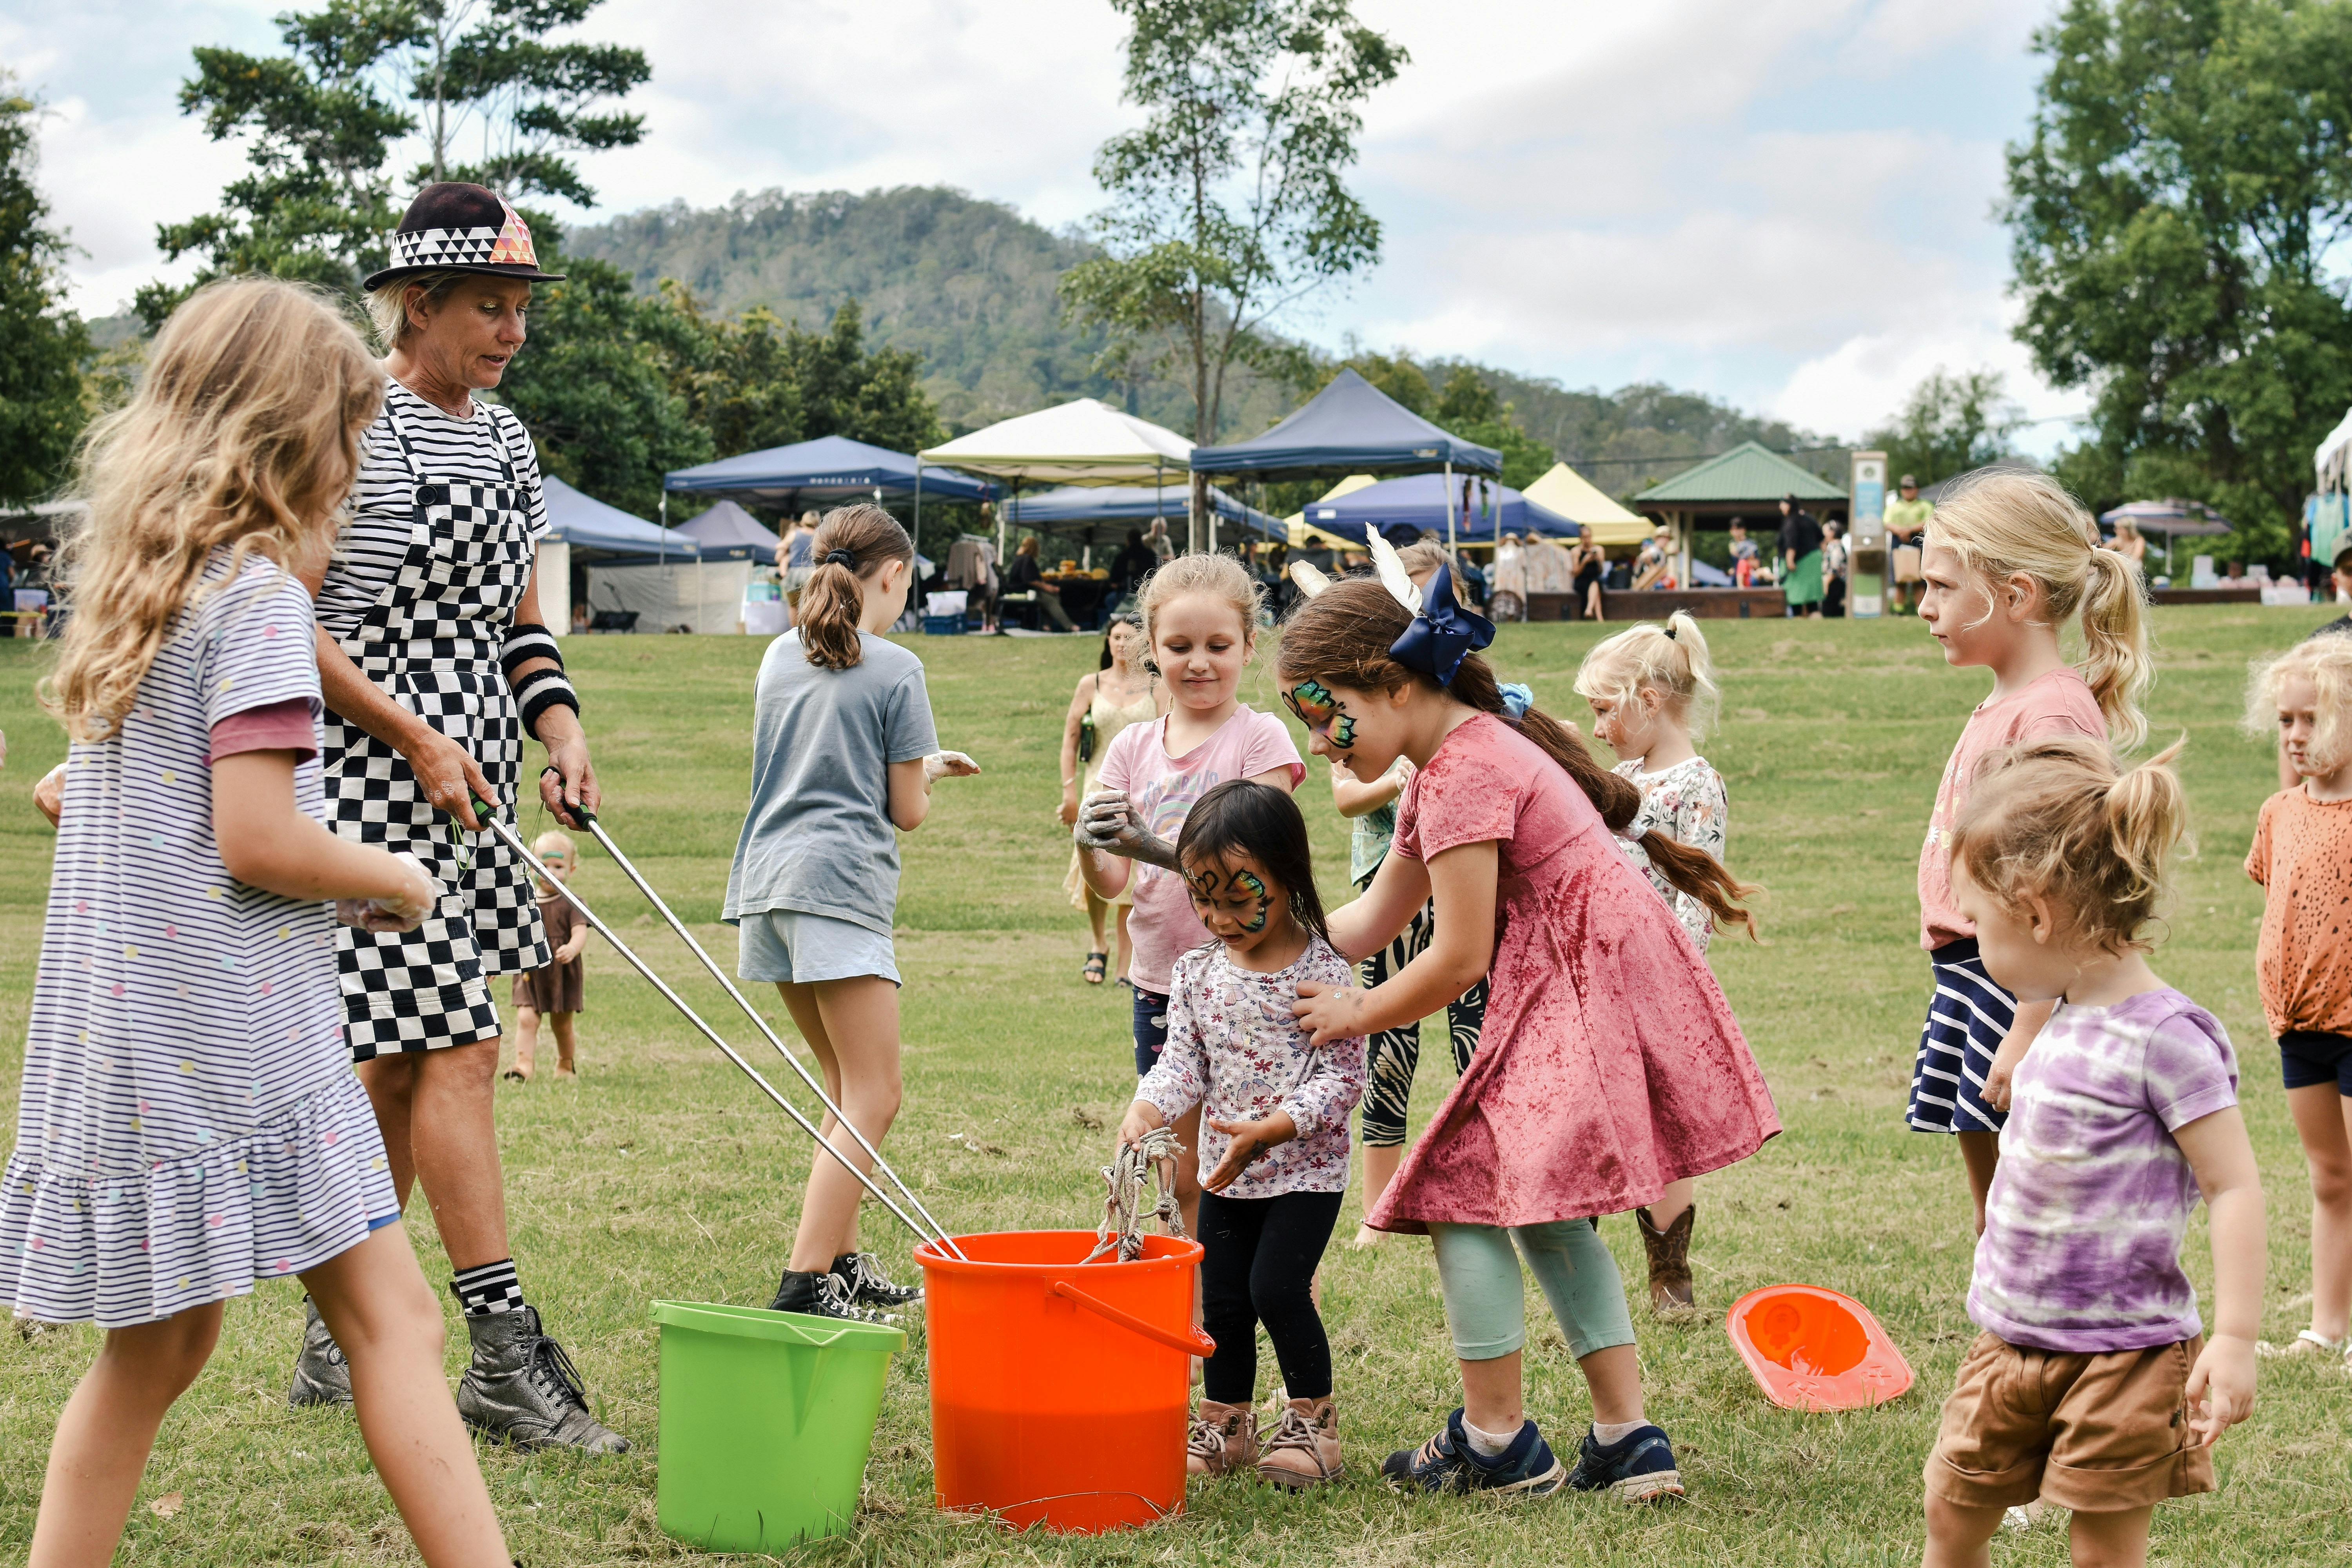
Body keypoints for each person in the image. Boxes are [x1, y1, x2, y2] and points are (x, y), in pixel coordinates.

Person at [1, 276, 512, 1568]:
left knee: (162, 1347)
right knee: (397, 1322)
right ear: (298, 443)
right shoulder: (265, 605)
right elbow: (257, 839)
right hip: (245, 1049)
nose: (354, 473)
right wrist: (399, 881)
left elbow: (105, 792)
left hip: (138, 1045)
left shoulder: (146, 591)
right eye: (348, 441)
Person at [1279, 552, 1775, 1501]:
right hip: (1578, 987)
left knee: (1460, 1192)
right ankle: (1628, 1440)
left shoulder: (1465, 769)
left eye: (1323, 711)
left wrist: (1355, 1014)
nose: (1322, 743)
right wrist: (1253, 929)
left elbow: (1456, 957)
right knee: (1543, 1210)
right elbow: (1365, 926)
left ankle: (1498, 1441)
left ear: (1391, 682)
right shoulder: (1447, 764)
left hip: (1581, 989)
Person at [298, 181, 619, 1451]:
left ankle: (340, 1329)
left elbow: (519, 623)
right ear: (416, 303)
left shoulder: (508, 440)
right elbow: (299, 627)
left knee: (395, 1064)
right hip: (375, 773)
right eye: (490, 307)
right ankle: (498, 1352)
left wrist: (562, 729)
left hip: (475, 770)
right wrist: (414, 734)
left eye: (522, 307)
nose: (512, 331)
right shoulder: (352, 427)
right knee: (466, 1048)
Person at [1924, 736, 2263, 1568]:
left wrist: (2236, 1336)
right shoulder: (2057, 1015)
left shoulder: (2170, 1038)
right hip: (2008, 1338)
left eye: (1979, 921)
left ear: (2036, 911)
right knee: (1950, 1508)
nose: (1975, 942)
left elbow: (2234, 1186)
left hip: (2129, 1355)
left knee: (2103, 1550)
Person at [725, 505, 978, 1321]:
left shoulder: (776, 655)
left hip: (768, 885)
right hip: (839, 889)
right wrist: (928, 775)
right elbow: (906, 811)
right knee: (875, 1094)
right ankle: (806, 1284)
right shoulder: (897, 666)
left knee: (842, 1088)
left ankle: (841, 1261)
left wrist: (922, 759)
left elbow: (828, 751)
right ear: (895, 575)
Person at [1907, 471, 2151, 1238]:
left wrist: (2029, 1020)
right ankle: (2004, 1317)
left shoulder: (2049, 709)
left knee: (2037, 1197)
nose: (1925, 607)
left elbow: (2063, 879)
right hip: (1970, 974)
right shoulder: (2005, 698)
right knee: (1995, 1203)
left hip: (2017, 986)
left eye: (1942, 587)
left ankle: (2050, 1335)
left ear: (2014, 595)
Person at [1121, 780, 1366, 1489]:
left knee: (1277, 1290)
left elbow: (1343, 1080)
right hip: (1229, 1173)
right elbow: (1182, 1066)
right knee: (1224, 1299)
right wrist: (1148, 1110)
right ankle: (1226, 1423)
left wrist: (1275, 1128)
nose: (1219, 917)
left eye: (1238, 898)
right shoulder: (1197, 973)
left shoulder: (1323, 973)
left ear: (1288, 876)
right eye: (1204, 898)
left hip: (1303, 1174)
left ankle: (1313, 1426)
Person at [1074, 553, 1305, 1238]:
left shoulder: (1259, 739)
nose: (1198, 662)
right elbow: (1114, 884)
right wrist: (1091, 844)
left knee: (1259, 1163)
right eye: (1178, 647)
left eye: (1217, 646)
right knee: (1178, 1169)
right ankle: (1195, 1324)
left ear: (1249, 646)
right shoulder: (1131, 750)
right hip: (1162, 986)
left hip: (1252, 986)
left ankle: (1289, 1294)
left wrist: (1149, 845)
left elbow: (1257, 874)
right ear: (1151, 650)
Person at [1328, 542, 1493, 1248]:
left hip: (1462, 897)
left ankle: (1492, 1193)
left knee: (1475, 1042)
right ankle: (1378, 1210)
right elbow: (1343, 798)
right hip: (1387, 894)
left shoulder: (1455, 730)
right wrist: (1395, 782)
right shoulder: (1365, 720)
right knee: (1387, 1051)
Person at [1574, 612, 1740, 1311]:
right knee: (1591, 1115)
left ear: (1651, 699)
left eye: (1605, 709)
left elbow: (1696, 897)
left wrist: (1666, 985)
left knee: (1666, 1128)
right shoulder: (1618, 778)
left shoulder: (1696, 785)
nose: (1597, 726)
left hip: (1659, 990)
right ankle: (1576, 1257)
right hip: (1598, 983)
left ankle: (1669, 1271)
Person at [2242, 635, 2352, 1367]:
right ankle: (2328, 1326)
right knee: (2329, 1177)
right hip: (2298, 1022)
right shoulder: (2279, 811)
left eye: (2313, 719)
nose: (2296, 735)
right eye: (2286, 721)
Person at [1060, 612, 1161, 984]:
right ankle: (1098, 944)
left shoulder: (1155, 686)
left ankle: (1125, 964)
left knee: (1131, 879)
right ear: (1107, 641)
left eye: (1128, 638)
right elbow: (1070, 741)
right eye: (1115, 637)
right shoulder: (1091, 684)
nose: (1121, 644)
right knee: (1093, 872)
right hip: (1095, 788)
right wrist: (1069, 791)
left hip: (1140, 795)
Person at [505, 831, 588, 1083]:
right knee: (526, 1018)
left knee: (561, 1025)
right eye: (542, 865)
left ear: (571, 870)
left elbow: (580, 931)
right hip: (530, 971)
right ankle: (524, 1065)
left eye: (558, 866)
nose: (549, 871)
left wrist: (573, 948)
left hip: (561, 971)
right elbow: (512, 938)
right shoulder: (526, 903)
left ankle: (565, 1064)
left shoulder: (572, 903)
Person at [1006, 534, 1078, 632]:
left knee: (1053, 597)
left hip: (1022, 590)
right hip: (1024, 591)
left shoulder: (1020, 558)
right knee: (1051, 599)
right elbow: (1029, 580)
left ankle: (1047, 625)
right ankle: (1069, 625)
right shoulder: (1027, 559)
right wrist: (1048, 588)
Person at [1886, 474, 1933, 614]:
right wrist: (1901, 531)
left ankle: (1921, 609)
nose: (1908, 491)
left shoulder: (1925, 505)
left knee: (1919, 577)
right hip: (1898, 542)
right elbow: (1887, 522)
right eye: (1905, 488)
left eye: (1911, 488)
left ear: (1917, 489)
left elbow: (1929, 521)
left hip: (1919, 540)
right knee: (1899, 577)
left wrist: (1910, 530)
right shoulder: (1894, 507)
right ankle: (1898, 610)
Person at [1778, 495, 1825, 617]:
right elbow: (1822, 540)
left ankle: (1798, 616)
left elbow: (1791, 542)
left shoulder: (1791, 521)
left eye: (1783, 504)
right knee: (1812, 600)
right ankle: (1815, 616)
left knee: (1796, 596)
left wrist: (1790, 560)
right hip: (1814, 559)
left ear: (1789, 505)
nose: (1781, 507)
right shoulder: (1809, 518)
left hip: (1800, 562)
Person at [1569, 525, 1608, 622]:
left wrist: (1598, 560)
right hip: (1582, 581)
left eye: (1589, 537)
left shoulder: (1599, 550)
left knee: (1595, 583)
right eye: (1585, 537)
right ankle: (1599, 617)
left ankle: (1590, 611)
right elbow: (1575, 574)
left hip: (1595, 580)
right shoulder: (1576, 551)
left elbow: (1601, 571)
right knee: (1595, 584)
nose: (1588, 540)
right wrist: (1584, 562)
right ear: (1581, 538)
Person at [783, 511, 820, 608]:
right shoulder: (820, 535)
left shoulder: (794, 534)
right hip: (813, 573)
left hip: (795, 573)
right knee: (812, 605)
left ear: (804, 520)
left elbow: (782, 547)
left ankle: (794, 624)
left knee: (793, 606)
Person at [1110, 527, 1160, 596]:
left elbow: (1114, 582)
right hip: (1147, 593)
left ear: (1128, 540)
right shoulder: (1151, 554)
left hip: (1126, 593)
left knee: (1109, 600)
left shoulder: (1123, 556)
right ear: (1141, 539)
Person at [1822, 519, 1849, 617]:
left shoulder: (1836, 547)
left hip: (1835, 583)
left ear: (1832, 532)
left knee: (1830, 611)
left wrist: (1827, 583)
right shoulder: (1832, 546)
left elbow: (1835, 568)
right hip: (1833, 582)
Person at [1728, 520, 1759, 588]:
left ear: (1743, 530)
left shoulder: (1751, 544)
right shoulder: (1732, 544)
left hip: (1749, 578)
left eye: (1738, 529)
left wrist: (1745, 560)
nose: (1735, 532)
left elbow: (1757, 565)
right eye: (1733, 529)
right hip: (1735, 579)